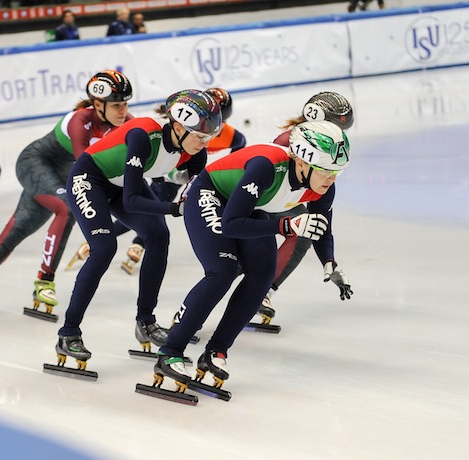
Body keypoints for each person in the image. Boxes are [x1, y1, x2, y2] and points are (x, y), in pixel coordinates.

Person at [153, 120, 351, 395]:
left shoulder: (323, 186)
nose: (331, 179)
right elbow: (232, 223)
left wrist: (329, 261)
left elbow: (322, 227)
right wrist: (285, 226)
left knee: (263, 273)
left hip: (251, 207)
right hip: (210, 195)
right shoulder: (266, 167)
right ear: (303, 163)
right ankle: (170, 351)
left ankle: (216, 350)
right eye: (327, 171)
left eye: (337, 172)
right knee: (222, 270)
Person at [0, 71, 134, 324]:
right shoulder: (79, 120)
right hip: (33, 164)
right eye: (117, 105)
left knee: (11, 236)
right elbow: (87, 166)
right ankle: (45, 280)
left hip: (57, 179)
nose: (123, 111)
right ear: (97, 104)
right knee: (68, 207)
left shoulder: (127, 121)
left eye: (126, 104)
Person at [50, 89, 222, 374]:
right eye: (199, 136)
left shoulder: (195, 153)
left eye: (208, 137)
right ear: (177, 127)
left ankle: (146, 321)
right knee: (104, 248)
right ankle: (68, 333)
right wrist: (171, 209)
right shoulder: (143, 135)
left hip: (119, 184)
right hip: (89, 178)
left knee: (159, 236)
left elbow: (194, 197)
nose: (204, 143)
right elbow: (131, 200)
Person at [100, 87, 246, 275]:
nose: (211, 133)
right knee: (157, 202)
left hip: (187, 165)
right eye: (204, 127)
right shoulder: (183, 129)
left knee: (163, 204)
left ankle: (129, 239)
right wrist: (170, 175)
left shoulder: (230, 135)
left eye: (219, 125)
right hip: (170, 165)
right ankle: (133, 241)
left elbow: (240, 145)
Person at [256, 92, 355, 328]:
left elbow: (321, 214)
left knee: (303, 233)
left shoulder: (318, 146)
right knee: (245, 256)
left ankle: (263, 290)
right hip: (260, 200)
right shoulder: (289, 143)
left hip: (278, 201)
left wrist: (328, 259)